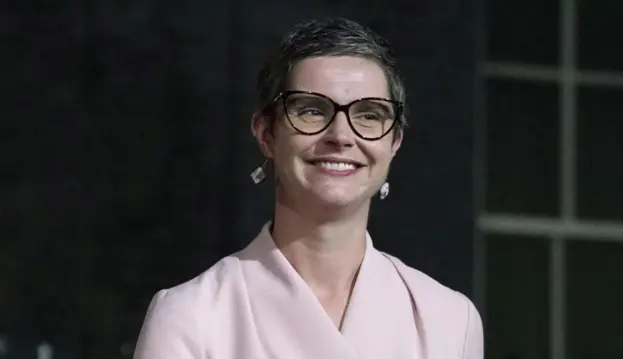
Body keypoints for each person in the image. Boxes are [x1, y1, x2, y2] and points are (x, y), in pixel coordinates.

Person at [133, 17, 483, 359]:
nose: (341, 136)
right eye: (312, 111)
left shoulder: (448, 319)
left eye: (369, 114)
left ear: (394, 142)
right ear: (266, 134)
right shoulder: (192, 315)